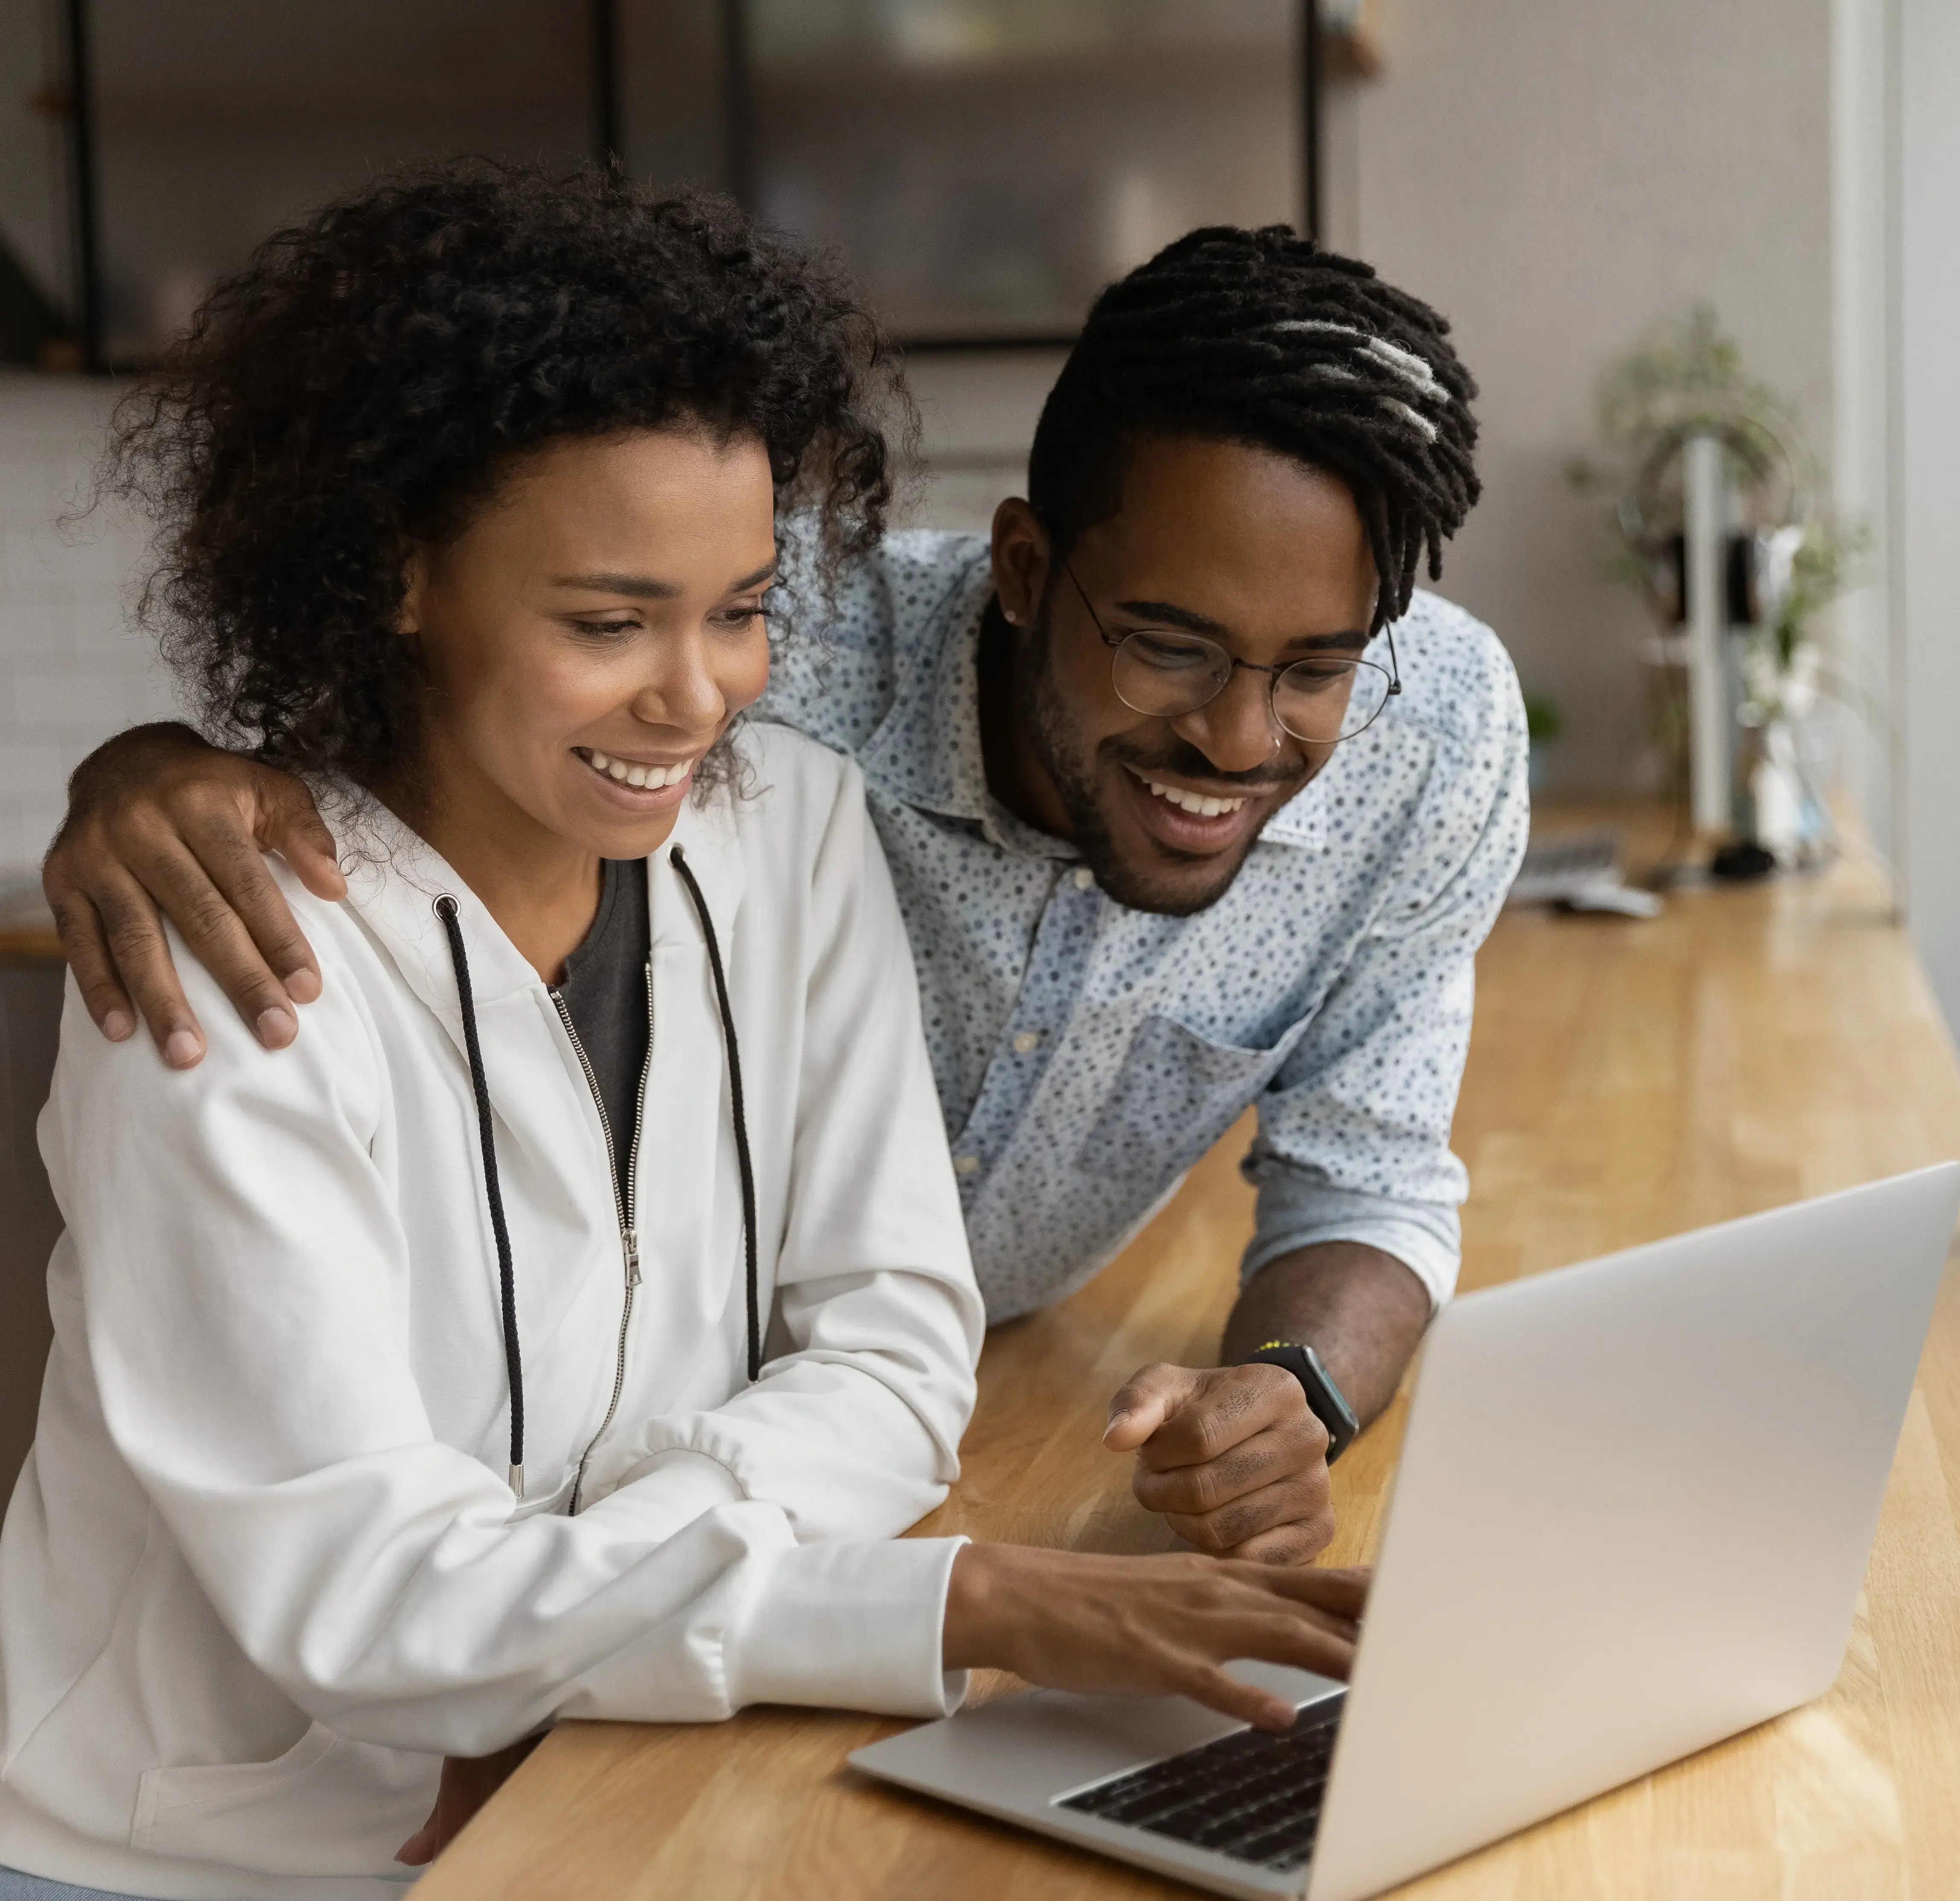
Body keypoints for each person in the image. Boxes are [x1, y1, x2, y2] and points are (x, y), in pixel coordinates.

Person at [0, 165, 1366, 1901]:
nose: (697, 695)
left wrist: (565, 1631)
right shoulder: (224, 956)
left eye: (739, 610)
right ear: (398, 577)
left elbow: (895, 1342)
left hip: (595, 1777)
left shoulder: (785, 826)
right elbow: (365, 1600)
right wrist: (961, 1600)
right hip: (194, 1862)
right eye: (607, 622)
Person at [42, 227, 1529, 1570]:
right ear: (1023, 566)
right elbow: (432, 676)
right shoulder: (784, 658)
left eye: (1316, 669)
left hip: (831, 1462)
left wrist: (1289, 1389)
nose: (1241, 737)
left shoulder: (1432, 735)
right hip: (628, 1465)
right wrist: (149, 761)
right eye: (1169, 648)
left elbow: (1370, 1172)